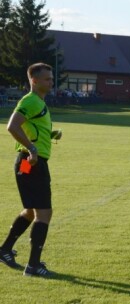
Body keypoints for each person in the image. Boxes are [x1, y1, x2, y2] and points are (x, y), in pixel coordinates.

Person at [0, 63, 62, 277]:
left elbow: (29, 129)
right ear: (34, 80)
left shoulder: (39, 102)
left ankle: (5, 249)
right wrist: (32, 148)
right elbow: (12, 126)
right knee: (44, 212)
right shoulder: (31, 101)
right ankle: (33, 265)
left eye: (51, 78)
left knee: (30, 210)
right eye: (47, 79)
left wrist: (50, 135)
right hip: (32, 162)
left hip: (27, 163)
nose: (51, 82)